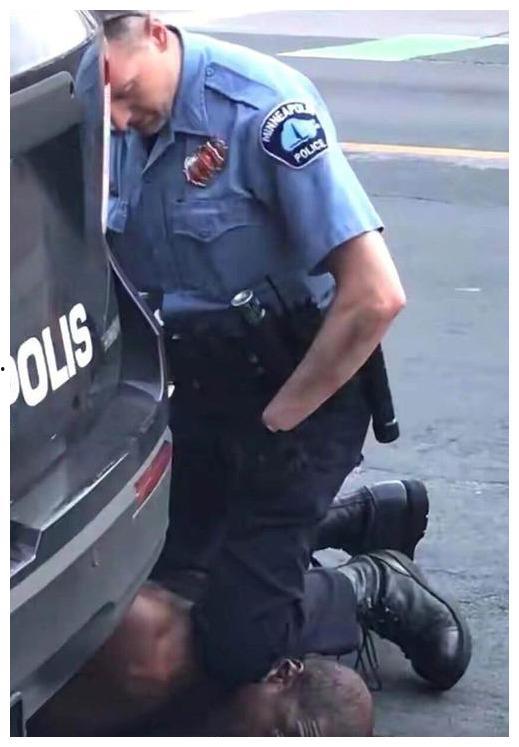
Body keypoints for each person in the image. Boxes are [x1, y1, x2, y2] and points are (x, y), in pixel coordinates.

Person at [74, 12, 469, 691]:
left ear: (157, 32)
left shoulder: (262, 113)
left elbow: (375, 295)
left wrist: (281, 420)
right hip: (198, 388)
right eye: (99, 97)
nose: (112, 117)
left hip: (296, 390)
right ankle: (350, 519)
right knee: (157, 584)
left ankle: (370, 584)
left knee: (234, 644)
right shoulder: (115, 113)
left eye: (123, 89)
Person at [29, 546, 470, 737]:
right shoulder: (161, 654)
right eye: (281, 733)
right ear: (281, 675)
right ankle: (368, 582)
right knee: (247, 620)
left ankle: (349, 519)